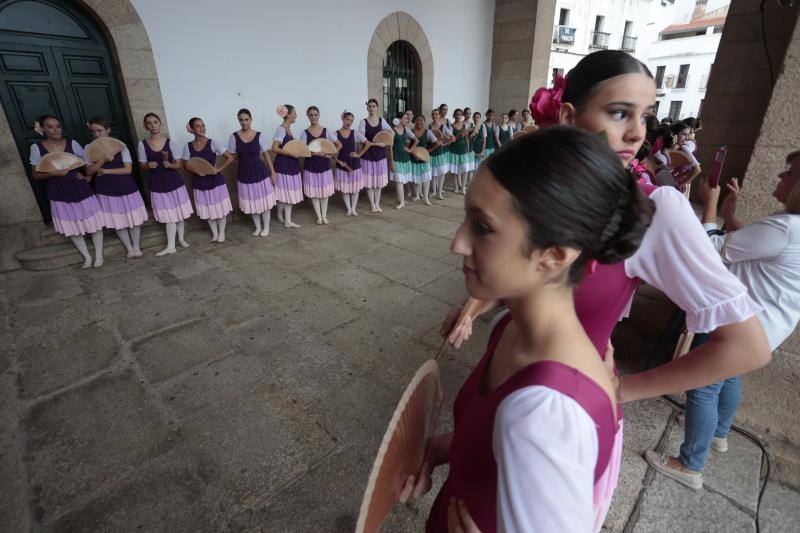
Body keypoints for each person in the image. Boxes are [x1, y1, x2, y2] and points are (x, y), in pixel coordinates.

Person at [440, 49, 770, 530]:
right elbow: (525, 267)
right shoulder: (540, 189)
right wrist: (473, 306)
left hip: (560, 396)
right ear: (570, 115)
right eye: (620, 113)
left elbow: (747, 343)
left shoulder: (658, 211)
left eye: (645, 117)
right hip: (509, 361)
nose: (638, 133)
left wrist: (620, 391)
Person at [400, 127, 653, 532]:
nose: (458, 243)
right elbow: (489, 444)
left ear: (554, 256)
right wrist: (437, 449)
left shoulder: (547, 414)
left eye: (482, 228)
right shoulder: (511, 326)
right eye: (465, 218)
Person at [646, 153, 800, 489]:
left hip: (739, 321)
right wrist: (729, 214)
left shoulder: (787, 228)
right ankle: (719, 434)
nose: (780, 176)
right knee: (728, 377)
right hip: (766, 328)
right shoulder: (791, 229)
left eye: (788, 173)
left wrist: (710, 204)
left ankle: (690, 465)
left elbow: (711, 247)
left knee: (702, 385)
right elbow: (751, 249)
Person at [30, 114, 105, 268]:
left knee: (94, 223)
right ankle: (87, 258)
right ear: (43, 129)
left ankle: (98, 256)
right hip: (58, 192)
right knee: (72, 227)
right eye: (50, 126)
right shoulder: (36, 148)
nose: (55, 129)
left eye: (57, 126)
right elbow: (35, 174)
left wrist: (87, 177)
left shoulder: (73, 143)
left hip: (80, 188)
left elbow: (86, 164)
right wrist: (53, 173)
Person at [84, 116, 147, 257]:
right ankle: (129, 249)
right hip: (106, 189)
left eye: (100, 130)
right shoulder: (89, 148)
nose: (97, 134)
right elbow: (89, 171)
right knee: (117, 220)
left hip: (125, 186)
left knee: (134, 218)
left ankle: (136, 247)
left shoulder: (120, 146)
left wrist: (106, 170)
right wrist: (103, 160)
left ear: (108, 129)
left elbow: (127, 170)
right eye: (93, 132)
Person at [137, 113, 193, 256]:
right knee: (168, 215)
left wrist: (170, 165)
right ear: (145, 126)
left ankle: (180, 239)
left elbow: (178, 165)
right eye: (149, 123)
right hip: (157, 184)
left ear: (160, 124)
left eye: (155, 122)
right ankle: (170, 245)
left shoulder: (170, 142)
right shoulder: (142, 144)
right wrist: (148, 165)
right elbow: (142, 166)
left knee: (179, 213)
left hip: (173, 181)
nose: (153, 125)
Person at [184, 117, 234, 242]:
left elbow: (230, 158)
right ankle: (215, 234)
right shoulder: (188, 146)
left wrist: (218, 169)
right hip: (199, 182)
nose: (202, 128)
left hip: (215, 182)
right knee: (207, 209)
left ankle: (221, 233)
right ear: (192, 129)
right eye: (198, 126)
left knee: (220, 209)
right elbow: (186, 165)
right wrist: (196, 171)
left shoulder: (213, 143)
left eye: (203, 125)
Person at [228, 108, 276, 236]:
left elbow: (266, 155)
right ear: (238, 121)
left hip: (260, 172)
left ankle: (266, 227)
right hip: (244, 173)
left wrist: (273, 172)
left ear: (251, 120)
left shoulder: (259, 136)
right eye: (241, 120)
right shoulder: (234, 137)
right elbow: (233, 156)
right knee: (252, 201)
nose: (244, 122)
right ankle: (257, 227)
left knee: (264, 201)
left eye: (246, 119)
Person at [300, 106, 339, 224]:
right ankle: (319, 217)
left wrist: (329, 154)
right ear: (308, 117)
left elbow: (338, 145)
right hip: (311, 166)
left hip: (324, 166)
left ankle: (324, 216)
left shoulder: (326, 131)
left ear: (319, 115)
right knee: (315, 193)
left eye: (315, 114)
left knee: (324, 192)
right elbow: (303, 151)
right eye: (311, 115)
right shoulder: (305, 133)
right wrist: (315, 154)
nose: (313, 117)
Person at [271, 105, 303, 228]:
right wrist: (291, 153)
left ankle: (280, 216)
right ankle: (288, 221)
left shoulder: (287, 129)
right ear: (288, 115)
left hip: (289, 164)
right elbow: (274, 148)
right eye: (294, 113)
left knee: (283, 191)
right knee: (287, 191)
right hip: (285, 164)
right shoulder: (282, 129)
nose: (296, 115)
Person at [358, 99, 391, 213]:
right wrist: (373, 143)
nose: (371, 108)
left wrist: (386, 142)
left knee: (379, 182)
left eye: (374, 106)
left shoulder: (382, 121)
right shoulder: (363, 122)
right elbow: (361, 138)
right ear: (367, 108)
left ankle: (377, 203)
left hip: (380, 154)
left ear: (377, 107)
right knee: (370, 182)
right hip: (367, 154)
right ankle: (372, 204)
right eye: (370, 106)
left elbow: (391, 133)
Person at [333, 110, 366, 217]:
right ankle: (348, 208)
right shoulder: (335, 134)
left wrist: (359, 154)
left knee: (355, 188)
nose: (349, 122)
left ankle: (353, 208)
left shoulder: (355, 133)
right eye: (347, 119)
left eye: (351, 121)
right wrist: (338, 161)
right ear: (343, 119)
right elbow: (332, 151)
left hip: (354, 163)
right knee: (345, 188)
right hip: (342, 164)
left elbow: (367, 143)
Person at [387, 112, 418, 209]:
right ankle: (402, 202)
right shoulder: (392, 131)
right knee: (399, 181)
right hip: (396, 159)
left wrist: (410, 149)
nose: (407, 120)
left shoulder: (406, 130)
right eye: (405, 118)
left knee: (401, 181)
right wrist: (391, 161)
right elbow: (390, 147)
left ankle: (400, 200)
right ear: (399, 119)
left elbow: (416, 140)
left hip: (405, 158)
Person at [410, 114, 440, 205]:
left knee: (426, 178)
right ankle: (417, 195)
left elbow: (437, 143)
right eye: (417, 120)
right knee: (416, 177)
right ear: (414, 122)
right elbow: (407, 146)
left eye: (421, 120)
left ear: (424, 122)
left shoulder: (428, 132)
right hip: (413, 157)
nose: (419, 122)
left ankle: (426, 197)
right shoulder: (410, 132)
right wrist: (413, 153)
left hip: (424, 158)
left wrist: (428, 151)